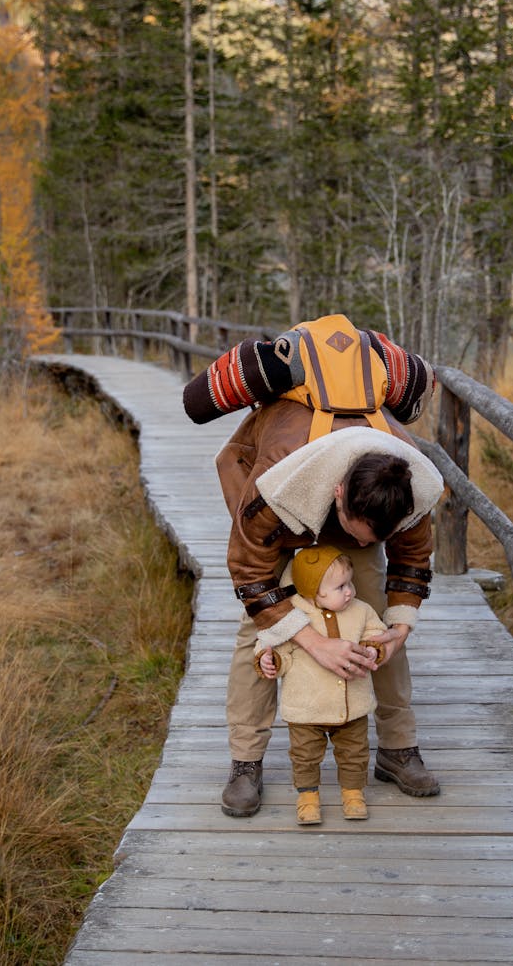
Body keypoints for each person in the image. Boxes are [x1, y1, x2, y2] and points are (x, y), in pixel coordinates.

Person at [182, 314, 445, 818]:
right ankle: (246, 761)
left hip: (349, 496)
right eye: (359, 533)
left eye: (376, 539)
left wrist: (401, 625)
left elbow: (412, 557)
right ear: (339, 493)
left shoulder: (408, 482)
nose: (365, 544)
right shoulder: (278, 477)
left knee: (377, 621)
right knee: (255, 635)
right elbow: (250, 573)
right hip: (284, 511)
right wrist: (312, 640)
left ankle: (397, 747)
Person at [255, 545, 387, 825]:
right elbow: (272, 644)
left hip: (351, 706)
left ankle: (353, 794)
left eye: (350, 582)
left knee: (355, 753)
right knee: (304, 756)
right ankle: (308, 797)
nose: (350, 590)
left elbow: (376, 632)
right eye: (341, 586)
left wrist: (373, 648)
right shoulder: (292, 618)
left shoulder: (361, 611)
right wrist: (271, 660)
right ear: (313, 591)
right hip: (306, 709)